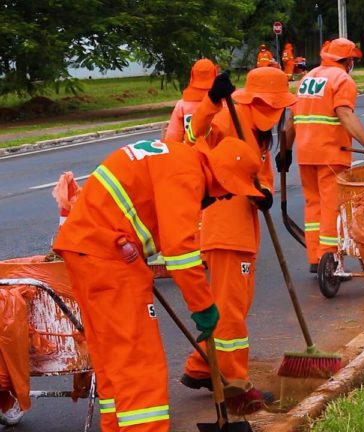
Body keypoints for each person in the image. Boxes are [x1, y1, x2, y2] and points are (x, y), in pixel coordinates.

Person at [52, 132, 268, 430]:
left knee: (114, 361)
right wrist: (203, 306)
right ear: (221, 177)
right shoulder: (187, 174)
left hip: (92, 251)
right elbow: (180, 251)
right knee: (141, 363)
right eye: (226, 192)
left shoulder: (177, 157)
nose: (222, 198)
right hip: (108, 257)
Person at [181, 69, 295, 405]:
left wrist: (265, 192)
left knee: (231, 305)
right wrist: (212, 100)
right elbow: (193, 135)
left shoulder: (259, 134)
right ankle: (235, 383)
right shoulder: (230, 117)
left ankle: (201, 366)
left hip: (242, 228)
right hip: (226, 228)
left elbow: (260, 174)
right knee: (231, 312)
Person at [280, 38, 364, 273]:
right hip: (330, 153)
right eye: (352, 60)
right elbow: (345, 115)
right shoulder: (342, 80)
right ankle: (330, 259)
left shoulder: (308, 78)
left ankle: (316, 257)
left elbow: (292, 120)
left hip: (305, 153)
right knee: (330, 207)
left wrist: (285, 151)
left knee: (313, 205)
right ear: (347, 60)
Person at [164, 59, 217, 142]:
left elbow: (172, 139)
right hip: (216, 153)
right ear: (215, 74)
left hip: (191, 153)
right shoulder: (223, 105)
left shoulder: (182, 106)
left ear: (192, 74)